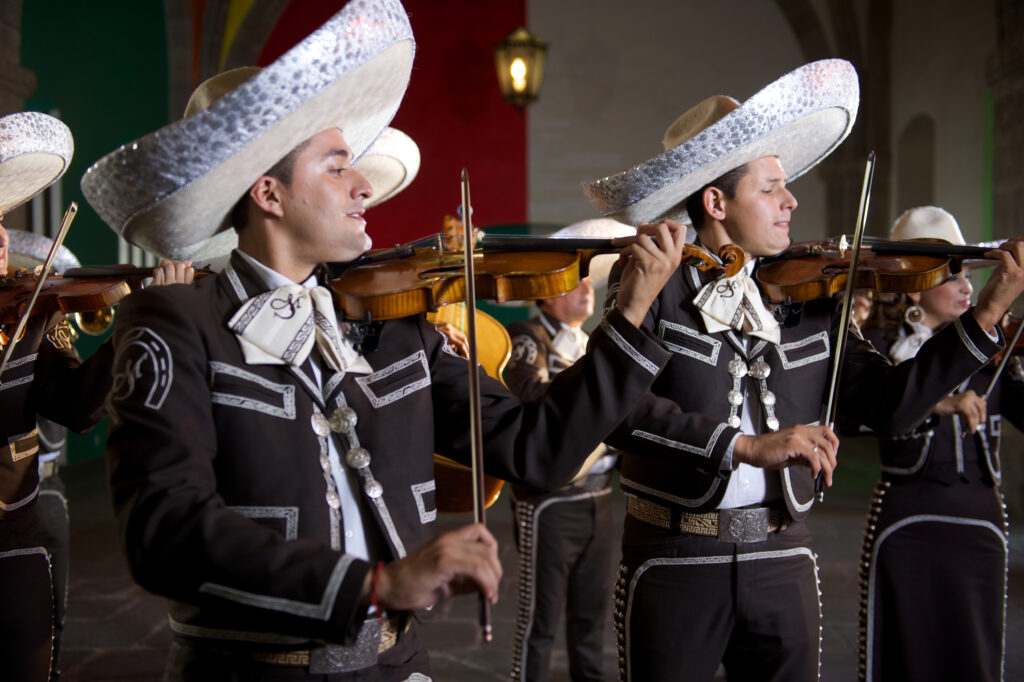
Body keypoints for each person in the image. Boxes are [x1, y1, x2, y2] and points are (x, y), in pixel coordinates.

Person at [79, 2, 686, 679]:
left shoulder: (395, 323)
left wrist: (627, 317)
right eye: (337, 166)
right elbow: (163, 532)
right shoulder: (174, 323)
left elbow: (537, 449)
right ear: (269, 193)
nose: (364, 186)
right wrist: (373, 585)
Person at [580, 59, 1024, 681]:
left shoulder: (811, 296)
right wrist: (746, 446)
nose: (791, 201)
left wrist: (988, 315)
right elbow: (618, 415)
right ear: (716, 201)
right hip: (677, 556)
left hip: (784, 556)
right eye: (769, 189)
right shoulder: (650, 288)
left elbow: (893, 405)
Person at [0, 112, 194, 682]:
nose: (0, 237)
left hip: (12, 540)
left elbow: (79, 407)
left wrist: (138, 321)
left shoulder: (33, 312)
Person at [855, 206, 1024, 682]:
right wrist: (941, 403)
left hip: (980, 524)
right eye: (953, 276)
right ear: (914, 285)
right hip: (909, 524)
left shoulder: (992, 347)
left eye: (970, 274)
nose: (969, 287)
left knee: (974, 655)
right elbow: (867, 417)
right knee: (907, 655)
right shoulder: (876, 347)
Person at [503, 219, 632, 682]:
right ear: (547, 294)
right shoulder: (526, 335)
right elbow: (531, 396)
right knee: (539, 621)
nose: (586, 293)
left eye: (588, 285)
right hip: (550, 502)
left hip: (598, 496)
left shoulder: (589, 341)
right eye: (574, 286)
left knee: (591, 620)